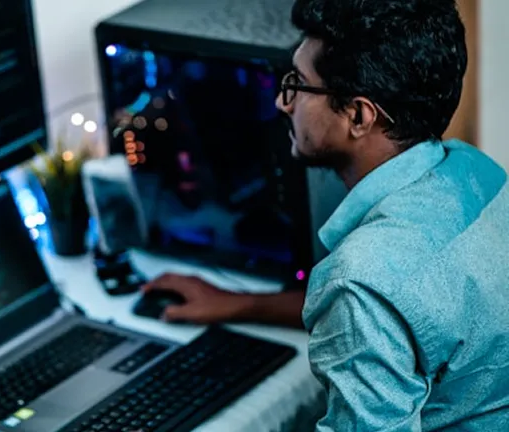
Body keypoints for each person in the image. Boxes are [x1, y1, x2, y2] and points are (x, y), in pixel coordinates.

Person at [141, 0, 509, 429]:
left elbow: (370, 295)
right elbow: (405, 308)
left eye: (297, 84)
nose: (282, 102)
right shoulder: (474, 171)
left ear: (357, 115)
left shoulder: (361, 279)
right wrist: (239, 304)